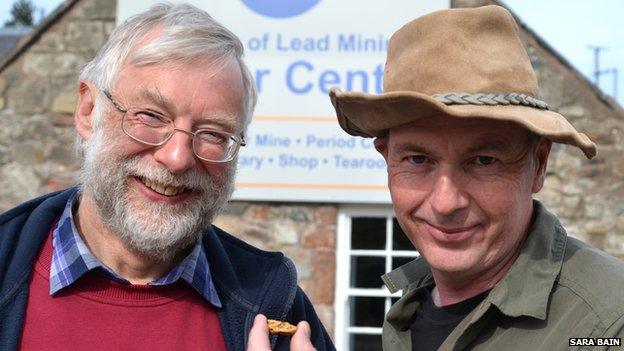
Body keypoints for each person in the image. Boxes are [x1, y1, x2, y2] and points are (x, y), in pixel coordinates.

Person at [0, 3, 333, 351]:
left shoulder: (276, 304)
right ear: (88, 111)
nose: (177, 158)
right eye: (150, 116)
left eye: (214, 134)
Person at [329, 5, 624, 350]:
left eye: (484, 161)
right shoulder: (414, 303)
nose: (446, 202)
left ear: (539, 165)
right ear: (387, 158)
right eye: (418, 159)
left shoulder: (606, 327)